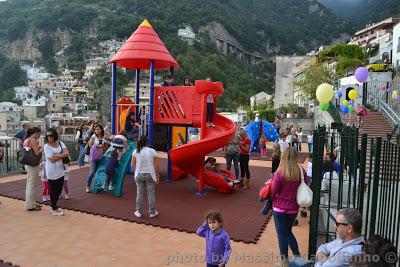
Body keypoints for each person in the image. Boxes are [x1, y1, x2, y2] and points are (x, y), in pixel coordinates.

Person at [270, 147, 307, 266]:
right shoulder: (301, 171)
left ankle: (284, 261)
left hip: (279, 208)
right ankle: (297, 256)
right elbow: (306, 185)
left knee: (282, 234)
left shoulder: (279, 172)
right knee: (288, 232)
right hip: (293, 208)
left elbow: (273, 192)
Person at [132, 135, 160, 218]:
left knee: (139, 193)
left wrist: (136, 172)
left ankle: (138, 211)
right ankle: (152, 212)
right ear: (147, 142)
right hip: (150, 174)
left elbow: (133, 164)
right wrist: (157, 175)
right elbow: (156, 165)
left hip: (139, 174)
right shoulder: (152, 151)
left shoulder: (136, 151)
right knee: (151, 193)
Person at [44, 128, 70, 216]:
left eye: (51, 135)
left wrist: (57, 155)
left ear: (54, 135)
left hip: (61, 169)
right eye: (47, 136)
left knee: (59, 190)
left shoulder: (60, 143)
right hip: (51, 170)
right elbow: (51, 160)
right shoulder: (46, 146)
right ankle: (54, 208)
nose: (49, 137)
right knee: (53, 190)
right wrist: (61, 155)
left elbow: (67, 152)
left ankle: (54, 207)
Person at [23, 127, 43, 211]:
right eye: (39, 133)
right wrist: (42, 148)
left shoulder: (26, 140)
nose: (39, 135)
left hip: (28, 164)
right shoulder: (33, 140)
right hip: (33, 165)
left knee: (29, 184)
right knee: (32, 185)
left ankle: (31, 202)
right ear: (35, 132)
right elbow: (37, 153)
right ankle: (30, 205)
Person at [86, 124, 105, 193]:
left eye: (98, 129)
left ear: (101, 130)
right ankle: (88, 186)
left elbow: (108, 139)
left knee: (99, 172)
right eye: (96, 129)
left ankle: (97, 186)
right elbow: (90, 145)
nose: (97, 130)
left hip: (100, 156)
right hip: (93, 156)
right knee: (92, 172)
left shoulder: (102, 136)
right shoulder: (93, 136)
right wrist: (97, 146)